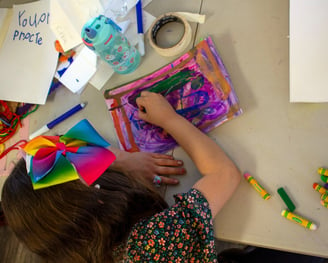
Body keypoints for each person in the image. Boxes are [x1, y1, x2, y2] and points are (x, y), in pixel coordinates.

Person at [1, 91, 241, 263]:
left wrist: (122, 162)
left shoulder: (72, 246)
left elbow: (39, 151)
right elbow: (224, 174)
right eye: (93, 167)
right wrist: (169, 119)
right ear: (101, 200)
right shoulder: (153, 244)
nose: (95, 156)